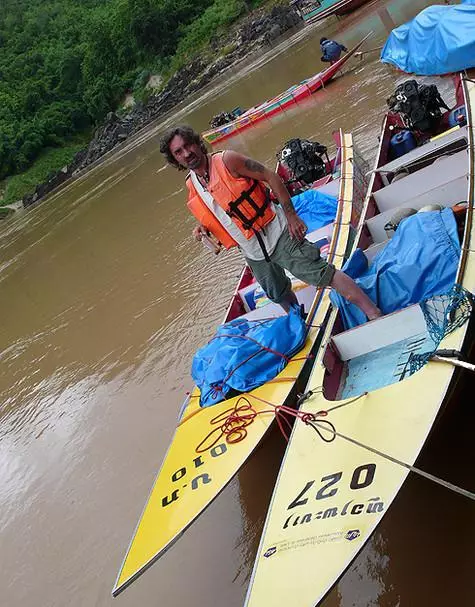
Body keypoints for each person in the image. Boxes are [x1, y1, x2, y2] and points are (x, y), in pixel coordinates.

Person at [159, 125, 381, 320]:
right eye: (179, 152)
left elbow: (270, 176)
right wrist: (203, 228)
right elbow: (221, 213)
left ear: (198, 143)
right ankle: (300, 324)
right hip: (253, 252)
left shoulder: (227, 160)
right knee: (278, 294)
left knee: (324, 274)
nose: (187, 153)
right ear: (175, 159)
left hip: (279, 232)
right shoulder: (193, 184)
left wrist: (292, 216)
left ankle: (372, 312)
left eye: (188, 145)